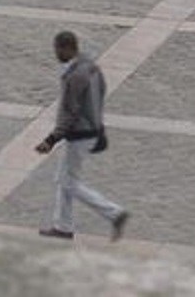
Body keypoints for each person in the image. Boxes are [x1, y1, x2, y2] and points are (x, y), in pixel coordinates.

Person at [35, 31, 129, 241]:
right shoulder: (92, 67)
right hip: (92, 130)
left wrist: (51, 139)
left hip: (79, 134)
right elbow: (101, 94)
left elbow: (70, 112)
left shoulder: (75, 76)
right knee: (64, 179)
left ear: (67, 48)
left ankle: (114, 213)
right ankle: (63, 226)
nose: (56, 54)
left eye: (57, 49)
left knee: (68, 182)